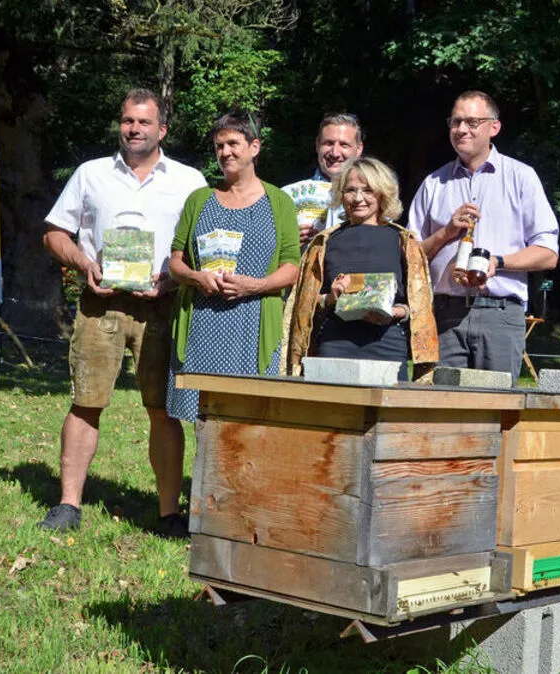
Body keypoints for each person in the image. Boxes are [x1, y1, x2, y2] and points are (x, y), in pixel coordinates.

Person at [39, 88, 206, 536]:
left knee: (164, 410)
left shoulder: (191, 181)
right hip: (101, 305)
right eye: (128, 121)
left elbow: (203, 247)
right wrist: (83, 263)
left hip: (162, 307)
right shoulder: (90, 174)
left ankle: (168, 512)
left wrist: (175, 278)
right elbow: (54, 234)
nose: (134, 129)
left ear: (162, 129)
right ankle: (68, 505)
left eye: (144, 122)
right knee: (86, 403)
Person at [407, 91, 559, 381]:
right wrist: (446, 233)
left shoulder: (521, 177)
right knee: (440, 411)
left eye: (472, 122)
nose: (461, 129)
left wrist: (497, 262)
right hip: (444, 315)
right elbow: (410, 257)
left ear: (494, 127)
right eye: (455, 122)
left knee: (495, 410)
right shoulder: (433, 184)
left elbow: (548, 253)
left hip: (500, 315)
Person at [167, 111, 300, 423]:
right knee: (202, 418)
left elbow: (292, 266)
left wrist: (252, 285)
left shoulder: (279, 202)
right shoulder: (199, 200)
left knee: (249, 418)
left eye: (232, 143)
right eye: (219, 146)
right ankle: (203, 474)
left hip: (253, 325)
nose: (225, 152)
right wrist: (195, 277)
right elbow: (175, 262)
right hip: (202, 320)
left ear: (254, 147)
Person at [286, 157, 438, 381]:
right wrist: (330, 298)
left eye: (368, 190)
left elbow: (420, 307)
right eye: (350, 190)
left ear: (383, 193)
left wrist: (395, 312)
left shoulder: (403, 241)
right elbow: (304, 306)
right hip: (335, 345)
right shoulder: (324, 242)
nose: (358, 198)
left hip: (387, 346)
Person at [281, 113, 365, 247]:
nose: (335, 153)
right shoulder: (287, 195)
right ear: (317, 145)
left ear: (359, 149)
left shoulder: (373, 198)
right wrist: (285, 244)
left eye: (344, 145)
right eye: (329, 143)